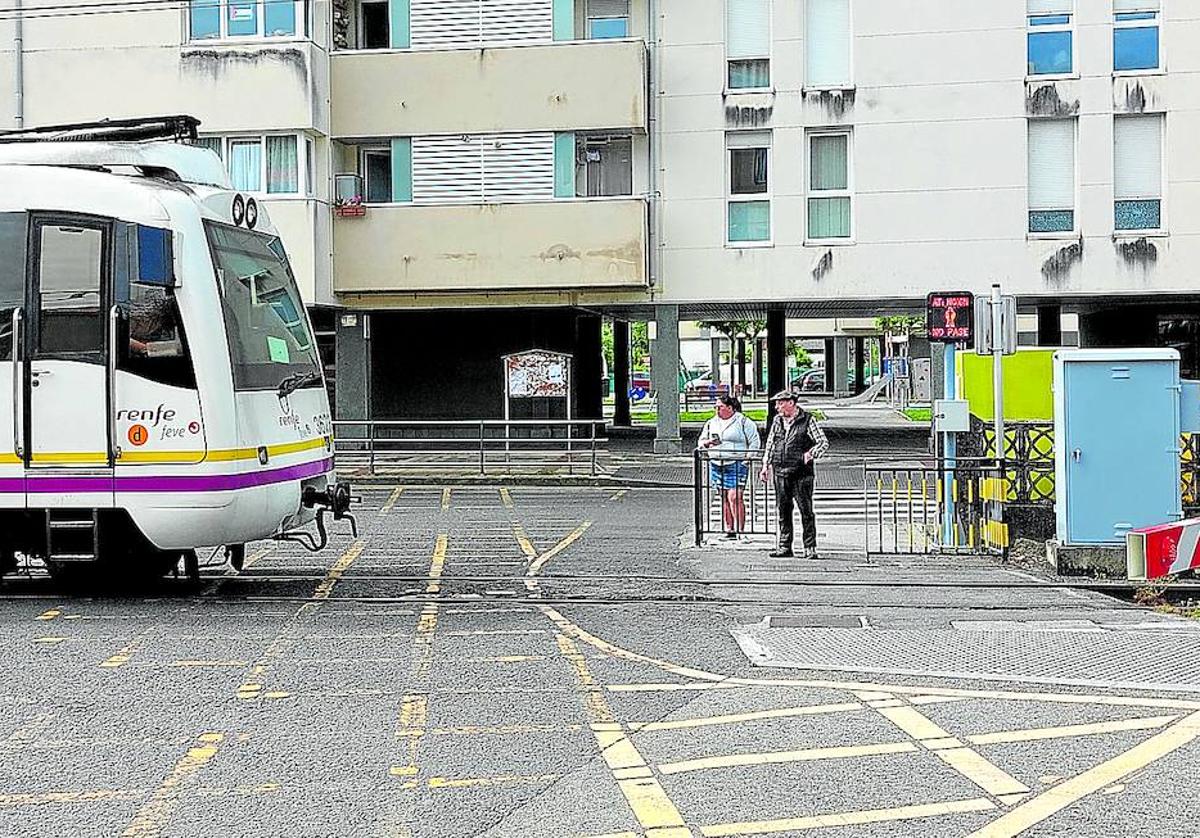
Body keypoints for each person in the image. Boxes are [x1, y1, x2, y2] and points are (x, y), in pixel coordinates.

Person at [760, 390, 828, 558]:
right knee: (783, 509)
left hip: (801, 473)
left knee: (806, 510)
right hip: (780, 471)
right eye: (776, 403)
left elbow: (823, 442)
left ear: (791, 402)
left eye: (780, 403)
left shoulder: (808, 420)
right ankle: (784, 546)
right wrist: (765, 465)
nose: (777, 407)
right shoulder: (777, 421)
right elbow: (771, 443)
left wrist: (810, 454)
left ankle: (810, 547)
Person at [700, 395, 761, 539]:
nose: (717, 410)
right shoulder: (712, 423)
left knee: (735, 497)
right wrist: (708, 443)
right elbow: (701, 441)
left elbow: (754, 441)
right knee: (724, 497)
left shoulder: (743, 422)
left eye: (720, 406)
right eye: (716, 407)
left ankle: (741, 530)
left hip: (736, 463)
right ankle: (729, 528)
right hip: (717, 462)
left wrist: (748, 458)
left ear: (730, 408)